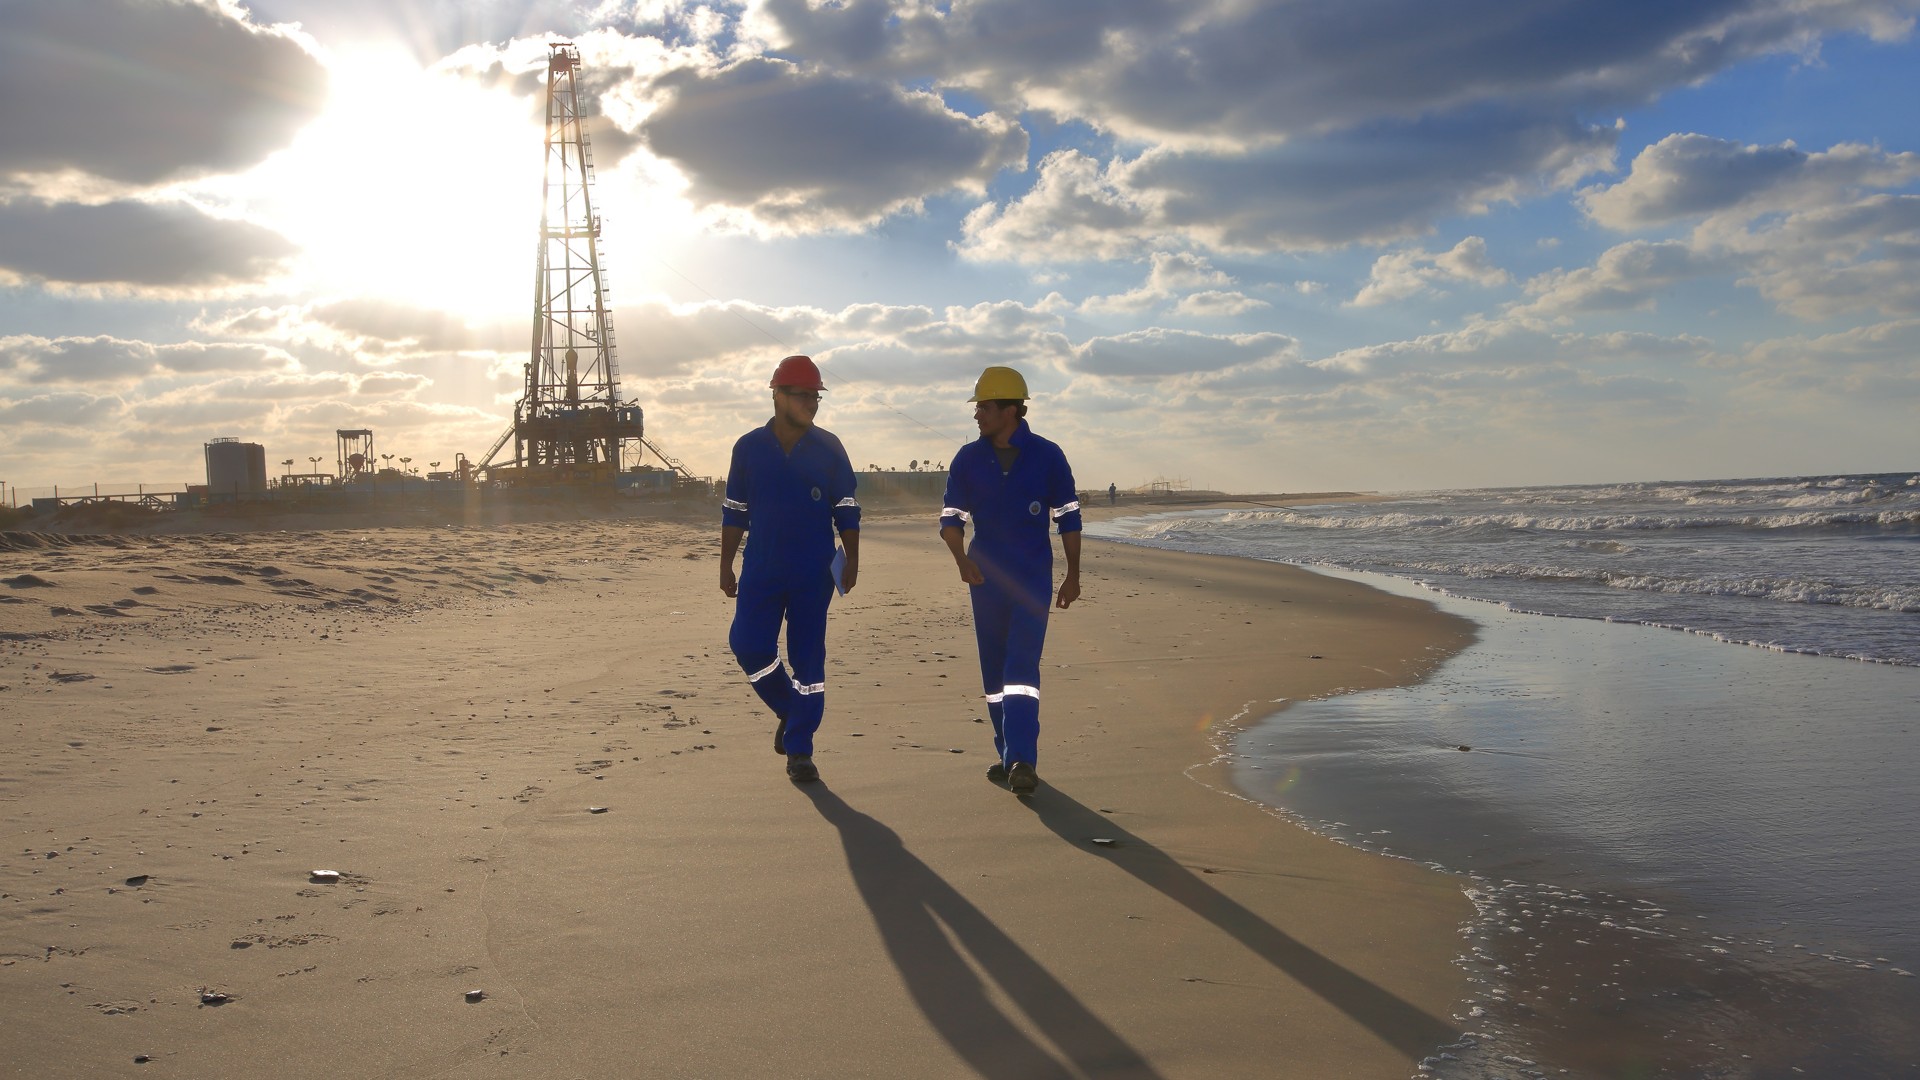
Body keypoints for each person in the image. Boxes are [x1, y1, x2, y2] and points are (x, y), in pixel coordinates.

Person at [939, 365, 1081, 796]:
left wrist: (1074, 574)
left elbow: (1069, 518)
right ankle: (1007, 753)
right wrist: (961, 559)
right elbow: (951, 518)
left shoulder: (1047, 455)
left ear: (1009, 410)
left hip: (1033, 580)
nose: (977, 415)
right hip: (985, 580)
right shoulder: (968, 459)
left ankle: (1022, 757)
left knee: (1021, 667)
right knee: (994, 673)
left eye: (983, 407)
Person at [720, 355, 860, 782]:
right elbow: (735, 510)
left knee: (808, 661)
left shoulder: (829, 447)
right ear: (776, 395)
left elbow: (847, 507)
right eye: (801, 396)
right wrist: (725, 564)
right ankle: (789, 709)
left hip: (812, 572)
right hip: (761, 566)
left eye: (815, 397)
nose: (810, 404)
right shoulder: (748, 448)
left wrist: (852, 558)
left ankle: (800, 749)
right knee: (748, 645)